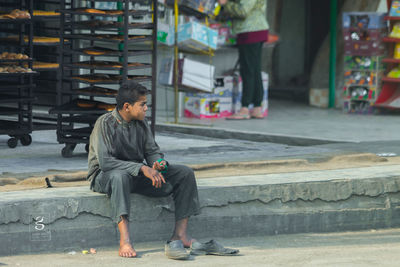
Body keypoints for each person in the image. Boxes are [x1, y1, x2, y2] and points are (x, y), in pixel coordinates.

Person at [87, 82, 201, 259]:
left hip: (136, 175)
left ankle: (180, 235)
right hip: (105, 177)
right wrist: (142, 168)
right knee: (120, 176)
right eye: (142, 104)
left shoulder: (141, 122)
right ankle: (125, 240)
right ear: (127, 106)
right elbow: (106, 163)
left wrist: (158, 164)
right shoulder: (104, 123)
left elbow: (152, 152)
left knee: (184, 173)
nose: (146, 108)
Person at [218, 0, 269, 120]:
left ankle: (245, 108)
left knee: (247, 71)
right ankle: (257, 107)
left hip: (250, 31)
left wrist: (226, 4)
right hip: (253, 31)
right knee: (255, 70)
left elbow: (243, 11)